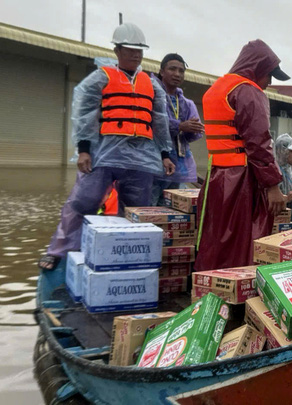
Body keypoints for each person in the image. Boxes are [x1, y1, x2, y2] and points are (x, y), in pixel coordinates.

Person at [38, 23, 175, 270]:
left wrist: (165, 154)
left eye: (139, 50)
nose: (136, 55)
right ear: (117, 50)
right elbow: (85, 115)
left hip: (141, 158)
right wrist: (83, 149)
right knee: (82, 201)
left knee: (137, 210)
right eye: (130, 49)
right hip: (105, 153)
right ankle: (59, 252)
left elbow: (160, 122)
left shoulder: (152, 84)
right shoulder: (102, 77)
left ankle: (126, 255)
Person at [195, 39, 288, 271]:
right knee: (242, 245)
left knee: (216, 240)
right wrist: (273, 185)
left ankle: (209, 289)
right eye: (269, 75)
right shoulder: (248, 91)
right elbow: (259, 142)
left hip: (216, 179)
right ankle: (238, 298)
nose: (269, 82)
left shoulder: (218, 88)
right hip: (242, 182)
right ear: (258, 69)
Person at [150, 53, 205, 205]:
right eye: (172, 69)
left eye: (181, 71)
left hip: (179, 166)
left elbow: (192, 136)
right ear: (161, 71)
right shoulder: (151, 94)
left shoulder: (187, 103)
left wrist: (193, 129)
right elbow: (154, 123)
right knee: (149, 208)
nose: (177, 74)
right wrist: (179, 126)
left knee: (173, 210)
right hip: (155, 162)